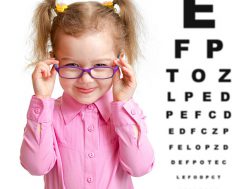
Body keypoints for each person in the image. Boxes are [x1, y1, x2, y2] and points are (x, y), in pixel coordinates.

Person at [20, 0, 154, 188]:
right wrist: (41, 100)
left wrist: (123, 104)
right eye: (72, 65)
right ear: (54, 60)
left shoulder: (125, 114)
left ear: (119, 61)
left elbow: (140, 167)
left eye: (100, 65)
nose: (86, 79)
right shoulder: (47, 115)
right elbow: (35, 166)